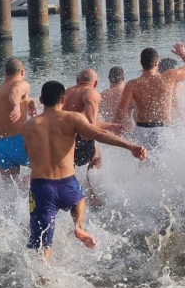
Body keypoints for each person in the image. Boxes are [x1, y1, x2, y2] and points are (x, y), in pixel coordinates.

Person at [22, 81, 146, 260]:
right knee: (79, 199)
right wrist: (131, 146)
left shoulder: (28, 126)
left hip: (41, 187)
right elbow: (98, 134)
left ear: (41, 99)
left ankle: (43, 276)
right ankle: (79, 226)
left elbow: (29, 154)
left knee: (43, 244)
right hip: (67, 182)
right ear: (63, 100)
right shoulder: (72, 118)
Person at [116, 44, 185, 155]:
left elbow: (121, 114)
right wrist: (182, 54)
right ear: (156, 63)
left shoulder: (132, 84)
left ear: (141, 63)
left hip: (141, 130)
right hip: (163, 130)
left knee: (143, 165)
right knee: (167, 166)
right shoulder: (169, 76)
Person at [0, 58, 37, 182]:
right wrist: (16, 105)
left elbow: (10, 97)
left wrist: (28, 100)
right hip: (18, 141)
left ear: (5, 73)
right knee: (47, 168)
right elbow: (14, 93)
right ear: (23, 72)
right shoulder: (22, 84)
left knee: (10, 189)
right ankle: (27, 184)